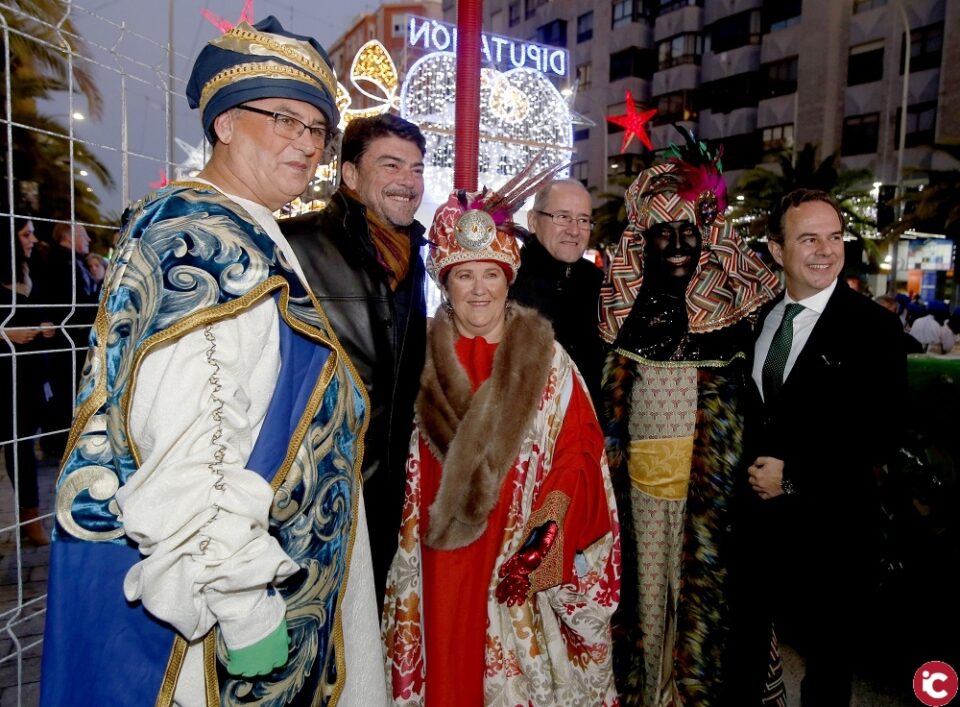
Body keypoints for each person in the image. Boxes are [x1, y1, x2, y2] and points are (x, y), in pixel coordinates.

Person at [40, 17, 385, 706]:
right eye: (283, 118)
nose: (305, 143)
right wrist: (248, 613)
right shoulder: (201, 241)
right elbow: (189, 457)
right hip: (214, 632)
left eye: (317, 129)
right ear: (225, 122)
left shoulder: (243, 226)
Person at [382, 174, 621, 705]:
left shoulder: (550, 360)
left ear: (509, 278)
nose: (479, 288)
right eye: (464, 275)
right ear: (445, 283)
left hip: (516, 552)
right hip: (434, 559)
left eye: (490, 273)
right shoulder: (413, 356)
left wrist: (545, 539)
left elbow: (580, 451)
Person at [597, 133, 782, 706]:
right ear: (642, 242)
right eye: (662, 234)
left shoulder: (730, 310)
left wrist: (714, 216)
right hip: (643, 496)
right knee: (647, 607)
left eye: (689, 233)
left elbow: (761, 284)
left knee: (713, 613)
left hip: (716, 497)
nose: (677, 245)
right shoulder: (622, 315)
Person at [728, 189, 908, 706]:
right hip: (757, 533)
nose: (825, 250)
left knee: (826, 676)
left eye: (834, 237)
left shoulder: (874, 328)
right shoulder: (758, 321)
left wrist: (794, 476)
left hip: (833, 532)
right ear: (776, 250)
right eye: (808, 238)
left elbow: (885, 432)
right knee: (743, 660)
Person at [282, 113, 427, 608]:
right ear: (349, 175)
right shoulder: (294, 246)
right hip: (311, 500)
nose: (408, 182)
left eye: (416, 168)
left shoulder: (414, 256)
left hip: (388, 497)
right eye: (391, 165)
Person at [510, 178, 605, 410]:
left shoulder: (594, 280)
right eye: (562, 217)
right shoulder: (508, 279)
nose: (574, 230)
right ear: (533, 221)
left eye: (583, 220)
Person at [2, 215, 55, 545]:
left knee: (25, 449)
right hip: (6, 377)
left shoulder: (30, 272)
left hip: (33, 375)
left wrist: (45, 325)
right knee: (16, 449)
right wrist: (5, 333)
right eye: (26, 234)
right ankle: (29, 520)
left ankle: (30, 518)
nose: (33, 239)